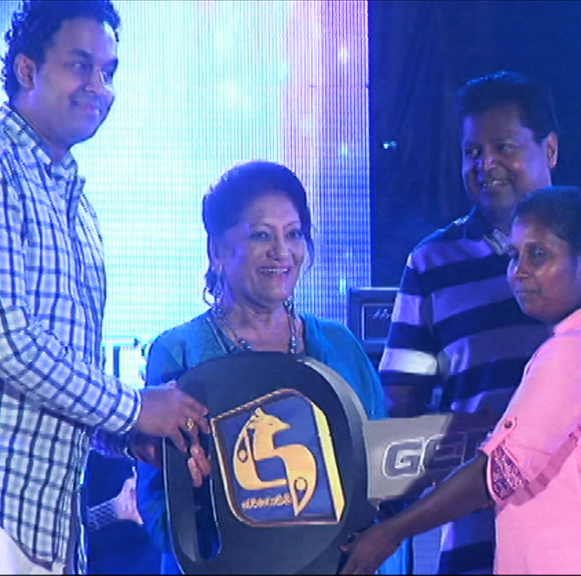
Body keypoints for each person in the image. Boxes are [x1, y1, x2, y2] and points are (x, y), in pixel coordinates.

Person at [0, 2, 210, 574]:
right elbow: (4, 341)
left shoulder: (76, 203)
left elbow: (62, 370)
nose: (99, 87)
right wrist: (134, 408)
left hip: (49, 526)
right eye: (80, 65)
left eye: (108, 71)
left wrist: (120, 435)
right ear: (27, 70)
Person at [379, 70, 581, 574]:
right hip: (470, 544)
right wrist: (474, 439)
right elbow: (399, 411)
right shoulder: (431, 263)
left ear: (550, 149)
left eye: (503, 146)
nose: (486, 164)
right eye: (472, 151)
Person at [341, 185, 581, 575]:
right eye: (514, 255)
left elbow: (498, 473)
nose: (519, 271)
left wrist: (388, 534)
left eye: (538, 254)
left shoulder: (577, 349)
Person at [136, 159, 408, 575]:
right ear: (216, 251)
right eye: (261, 235)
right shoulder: (179, 351)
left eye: (293, 234)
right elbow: (160, 503)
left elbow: (384, 477)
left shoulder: (339, 345)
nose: (282, 252)